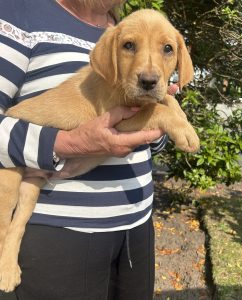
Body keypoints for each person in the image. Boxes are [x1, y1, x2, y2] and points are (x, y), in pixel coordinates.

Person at [0, 1, 168, 299]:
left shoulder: (129, 31)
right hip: (55, 236)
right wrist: (66, 143)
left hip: (136, 224)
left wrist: (157, 123)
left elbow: (149, 140)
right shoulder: (16, 14)